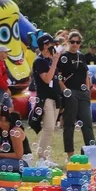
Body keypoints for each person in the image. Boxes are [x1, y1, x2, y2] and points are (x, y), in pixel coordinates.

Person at [58, 30, 96, 154]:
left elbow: (86, 74)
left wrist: (87, 88)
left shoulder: (82, 57)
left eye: (77, 42)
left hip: (83, 93)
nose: (75, 44)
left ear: (80, 43)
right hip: (70, 93)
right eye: (73, 42)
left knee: (87, 123)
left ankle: (91, 151)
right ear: (68, 42)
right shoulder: (63, 57)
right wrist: (65, 90)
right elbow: (58, 76)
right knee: (69, 124)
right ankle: (70, 153)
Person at [30, 33, 60, 162]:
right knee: (48, 128)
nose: (52, 46)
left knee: (51, 128)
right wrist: (54, 62)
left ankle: (45, 156)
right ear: (43, 46)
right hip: (45, 98)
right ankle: (42, 157)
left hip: (54, 97)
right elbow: (47, 79)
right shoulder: (39, 61)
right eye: (49, 44)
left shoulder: (49, 60)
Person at [0, 108, 31, 172]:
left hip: (23, 161)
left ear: (2, 118)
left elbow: (18, 155)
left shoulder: (15, 131)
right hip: (8, 159)